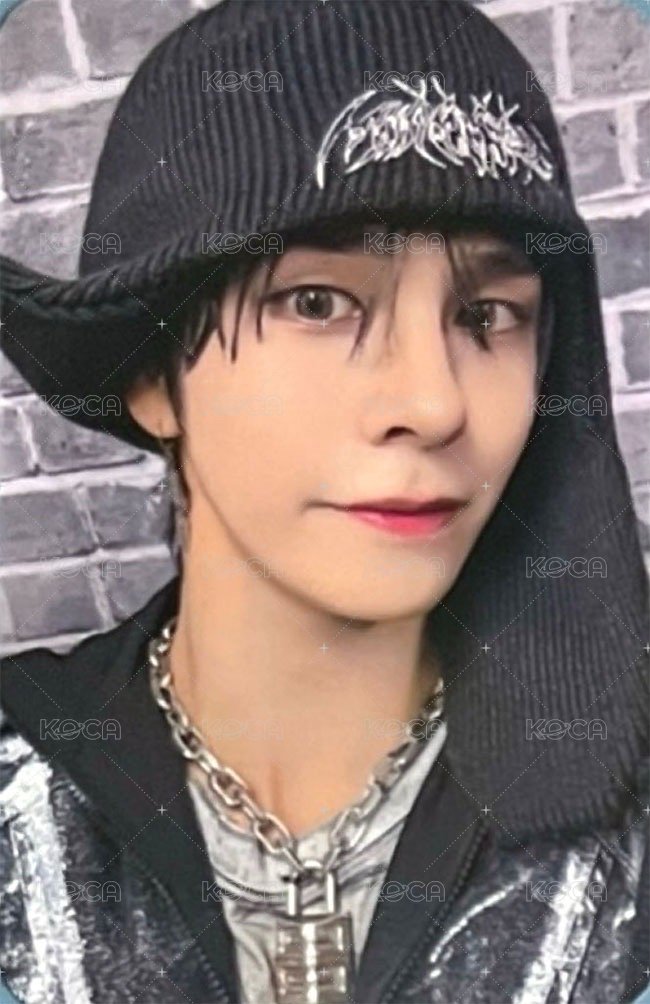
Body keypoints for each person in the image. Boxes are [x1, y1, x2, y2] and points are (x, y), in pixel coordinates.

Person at [0, 2, 648, 1002]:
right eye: (317, 301)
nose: (433, 404)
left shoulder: (619, 805)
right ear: (151, 375)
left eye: (487, 316)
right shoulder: (27, 793)